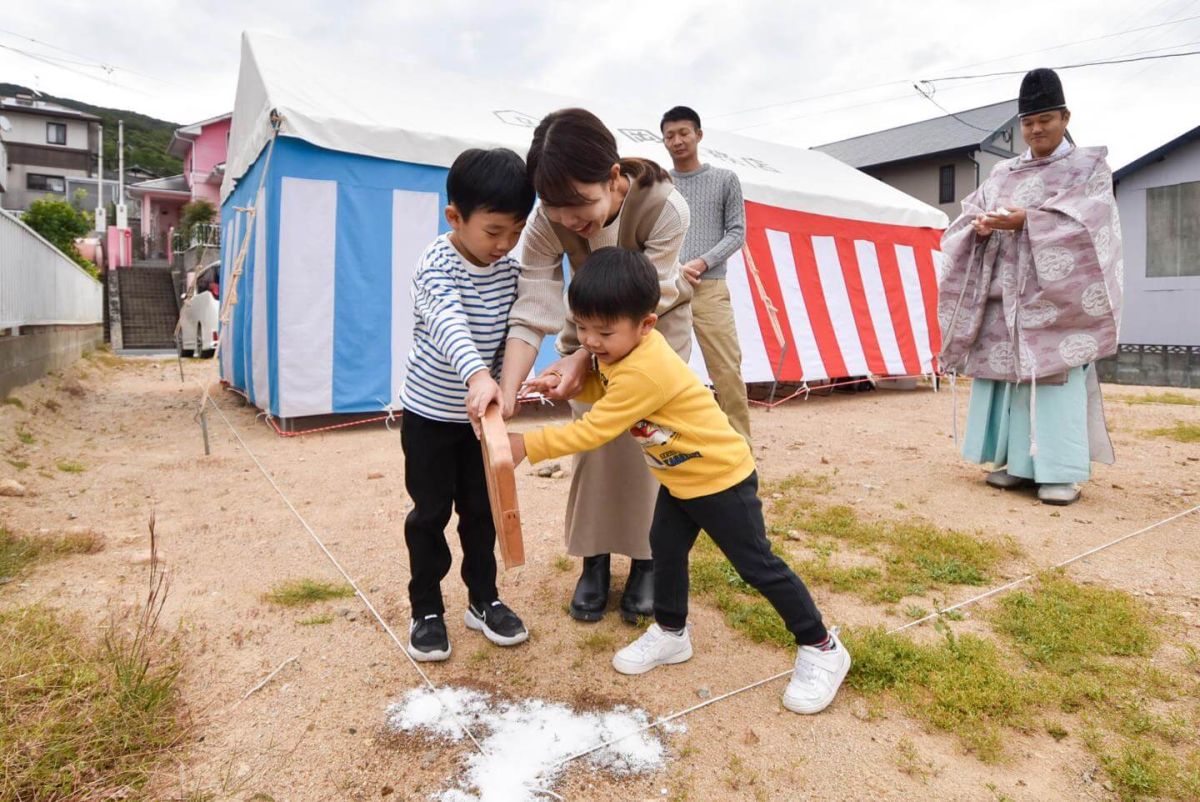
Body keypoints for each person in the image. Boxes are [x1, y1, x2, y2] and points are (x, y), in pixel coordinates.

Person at [509, 248, 849, 713]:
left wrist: (527, 446)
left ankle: (822, 646)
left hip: (721, 479)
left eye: (603, 332)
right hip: (680, 477)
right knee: (664, 550)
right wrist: (567, 381)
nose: (589, 341)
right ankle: (672, 632)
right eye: (582, 327)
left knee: (757, 566)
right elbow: (607, 385)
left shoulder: (647, 366)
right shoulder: (622, 354)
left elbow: (596, 427)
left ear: (646, 325)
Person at [499, 108, 693, 623]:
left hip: (653, 332)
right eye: (554, 208)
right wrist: (509, 388)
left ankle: (649, 561)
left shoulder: (664, 208)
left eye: (579, 204)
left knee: (650, 447)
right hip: (587, 332)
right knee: (594, 446)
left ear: (612, 178)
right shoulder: (549, 219)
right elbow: (533, 305)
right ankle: (595, 560)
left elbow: (651, 294)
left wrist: (583, 354)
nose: (568, 220)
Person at [938, 68, 1123, 506]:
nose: (1036, 129)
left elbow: (1092, 221)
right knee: (1006, 379)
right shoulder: (1002, 172)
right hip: (1007, 296)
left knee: (1053, 382)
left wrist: (1030, 220)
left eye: (1045, 119)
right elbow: (968, 215)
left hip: (1056, 301)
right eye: (1027, 121)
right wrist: (979, 227)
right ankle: (1015, 464)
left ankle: (1059, 471)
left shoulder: (1088, 167)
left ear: (1065, 117)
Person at [398, 148, 536, 661]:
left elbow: (518, 330)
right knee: (429, 514)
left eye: (516, 230)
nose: (505, 244)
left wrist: (505, 382)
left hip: (483, 422)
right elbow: (449, 324)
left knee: (482, 512)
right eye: (494, 231)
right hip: (431, 415)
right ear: (454, 217)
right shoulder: (436, 263)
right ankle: (426, 607)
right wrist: (478, 376)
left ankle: (483, 599)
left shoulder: (512, 269)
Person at [661, 105, 752, 443]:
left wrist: (700, 262)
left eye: (684, 133)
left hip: (710, 287)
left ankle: (740, 451)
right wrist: (675, 268)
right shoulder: (661, 184)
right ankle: (672, 448)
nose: (677, 140)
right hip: (668, 289)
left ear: (698, 135)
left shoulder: (725, 179)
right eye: (670, 135)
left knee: (727, 370)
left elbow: (736, 232)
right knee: (665, 371)